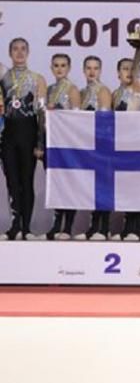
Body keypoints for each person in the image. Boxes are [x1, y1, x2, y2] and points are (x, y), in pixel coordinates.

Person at [1, 38, 47, 240]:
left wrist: (39, 142)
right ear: (10, 53)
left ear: (28, 52)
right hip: (9, 133)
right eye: (15, 49)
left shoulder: (38, 78)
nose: (19, 53)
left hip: (28, 132)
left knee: (26, 182)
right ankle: (15, 224)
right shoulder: (3, 76)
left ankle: (27, 227)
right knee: (12, 181)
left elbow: (42, 113)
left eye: (23, 49)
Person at [111, 39, 140, 241]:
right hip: (120, 143)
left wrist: (138, 48)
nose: (128, 72)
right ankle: (127, 225)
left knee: (137, 184)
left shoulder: (139, 88)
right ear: (118, 73)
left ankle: (138, 226)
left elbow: (139, 65)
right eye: (124, 69)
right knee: (124, 185)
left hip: (138, 141)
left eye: (130, 69)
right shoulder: (115, 94)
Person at [73, 56, 113, 240]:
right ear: (83, 70)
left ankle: (103, 227)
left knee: (103, 185)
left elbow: (104, 119)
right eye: (88, 68)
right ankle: (92, 225)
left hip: (102, 143)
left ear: (100, 70)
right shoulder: (81, 92)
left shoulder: (103, 91)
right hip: (87, 143)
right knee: (92, 187)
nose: (92, 71)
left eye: (95, 68)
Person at [43, 53, 81, 240]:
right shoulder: (49, 89)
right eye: (56, 65)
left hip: (66, 145)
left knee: (69, 185)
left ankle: (67, 227)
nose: (59, 69)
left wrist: (57, 110)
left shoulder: (73, 90)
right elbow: (42, 120)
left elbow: (76, 120)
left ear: (69, 68)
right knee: (56, 185)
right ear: (51, 68)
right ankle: (56, 224)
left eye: (63, 65)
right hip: (51, 144)